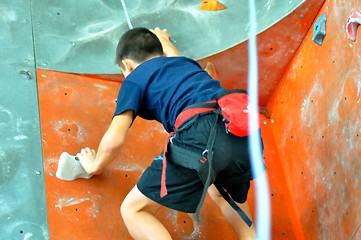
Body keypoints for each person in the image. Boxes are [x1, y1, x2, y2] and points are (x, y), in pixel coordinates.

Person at [77, 27, 263, 240]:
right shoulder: (184, 63)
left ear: (127, 65)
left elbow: (115, 138)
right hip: (242, 130)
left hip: (201, 134)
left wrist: (94, 165)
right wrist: (164, 38)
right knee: (222, 194)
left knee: (134, 210)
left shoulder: (134, 78)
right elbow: (172, 53)